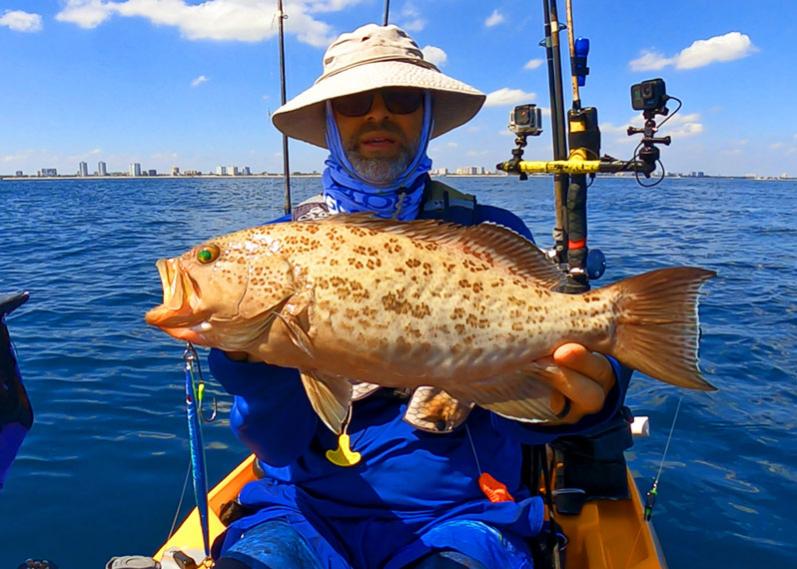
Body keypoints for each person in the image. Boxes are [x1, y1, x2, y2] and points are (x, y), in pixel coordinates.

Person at [208, 24, 631, 569]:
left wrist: (585, 402)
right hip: (301, 513)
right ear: (330, 121)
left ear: (427, 116)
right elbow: (279, 445)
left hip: (463, 516)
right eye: (354, 101)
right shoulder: (278, 249)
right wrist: (253, 370)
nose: (376, 115)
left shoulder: (487, 231)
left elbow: (522, 411)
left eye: (403, 99)